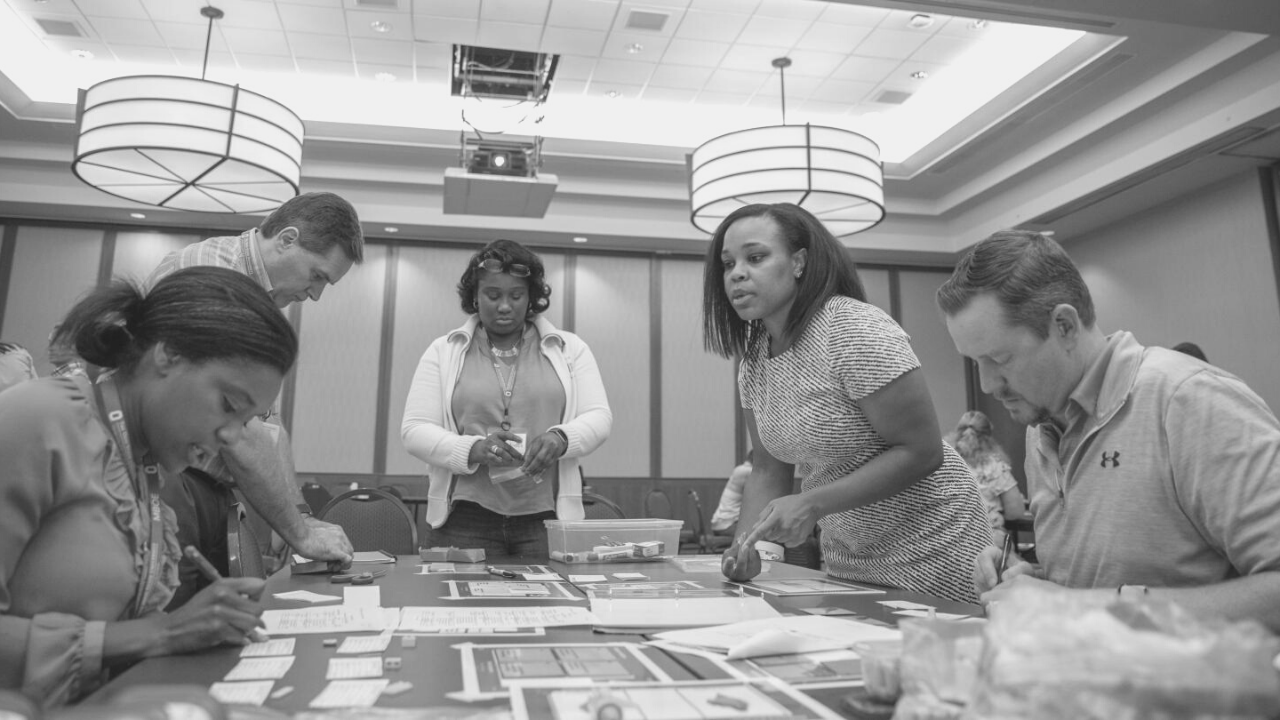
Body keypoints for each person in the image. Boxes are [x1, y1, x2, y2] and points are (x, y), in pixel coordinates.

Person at [937, 230, 1280, 630]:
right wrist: (1032, 582)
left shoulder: (1187, 401)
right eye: (975, 362)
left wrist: (1082, 608)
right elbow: (1100, 588)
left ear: (1064, 325)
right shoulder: (1043, 429)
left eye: (1000, 358)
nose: (987, 384)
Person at [1, 267, 296, 706]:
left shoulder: (144, 466)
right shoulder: (38, 420)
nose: (232, 438)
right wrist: (162, 632)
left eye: (247, 421)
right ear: (168, 355)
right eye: (228, 406)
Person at [704, 203, 991, 603]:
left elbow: (922, 450)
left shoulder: (850, 327)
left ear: (799, 262)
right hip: (848, 552)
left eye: (756, 257)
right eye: (727, 263)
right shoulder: (754, 359)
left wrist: (811, 503)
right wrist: (747, 546)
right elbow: (769, 466)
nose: (736, 273)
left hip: (934, 541)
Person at [146, 192, 363, 607]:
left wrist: (301, 513)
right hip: (173, 483)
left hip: (205, 489)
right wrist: (298, 532)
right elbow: (236, 431)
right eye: (317, 276)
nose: (315, 294)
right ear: (286, 238)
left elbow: (266, 425)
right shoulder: (215, 277)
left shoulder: (258, 295)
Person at [402, 239, 612, 559]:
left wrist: (561, 438)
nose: (504, 306)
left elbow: (599, 416)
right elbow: (414, 430)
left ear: (531, 299)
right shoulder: (443, 351)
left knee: (552, 606)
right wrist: (472, 448)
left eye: (516, 296)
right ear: (474, 295)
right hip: (463, 516)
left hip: (547, 518)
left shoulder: (570, 349)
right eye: (493, 295)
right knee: (454, 605)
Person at [945, 410, 1028, 537]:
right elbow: (1015, 511)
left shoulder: (945, 460)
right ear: (988, 437)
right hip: (985, 538)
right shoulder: (995, 466)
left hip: (948, 538)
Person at [711, 452, 752, 535]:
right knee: (761, 534)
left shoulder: (739, 469)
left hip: (721, 524)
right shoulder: (746, 471)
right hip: (727, 526)